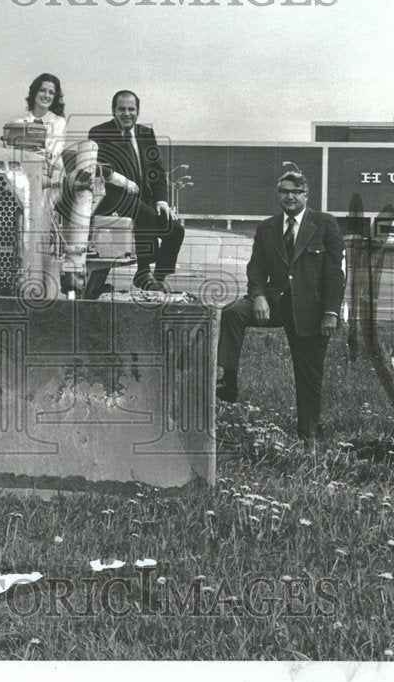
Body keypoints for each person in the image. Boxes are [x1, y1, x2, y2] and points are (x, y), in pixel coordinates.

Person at [216, 170, 345, 442]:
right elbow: (256, 267)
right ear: (278, 195)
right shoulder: (267, 228)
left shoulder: (325, 224)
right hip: (274, 303)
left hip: (312, 311)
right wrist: (259, 296)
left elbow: (335, 272)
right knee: (233, 312)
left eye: (296, 192)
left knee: (309, 373)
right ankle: (227, 380)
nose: (289, 196)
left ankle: (308, 432)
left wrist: (331, 312)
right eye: (284, 191)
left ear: (306, 195)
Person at [88, 91, 184, 292]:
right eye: (121, 109)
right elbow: (102, 170)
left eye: (131, 109)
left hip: (145, 200)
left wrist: (162, 201)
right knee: (146, 215)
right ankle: (142, 271)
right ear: (113, 111)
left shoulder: (146, 134)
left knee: (175, 230)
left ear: (138, 112)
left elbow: (156, 171)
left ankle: (158, 277)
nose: (126, 113)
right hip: (115, 199)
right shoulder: (99, 133)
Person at [15, 73, 67, 172]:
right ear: (35, 92)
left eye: (51, 92)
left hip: (51, 173)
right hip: (24, 171)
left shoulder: (59, 122)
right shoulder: (19, 123)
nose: (46, 95)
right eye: (42, 90)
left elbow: (54, 150)